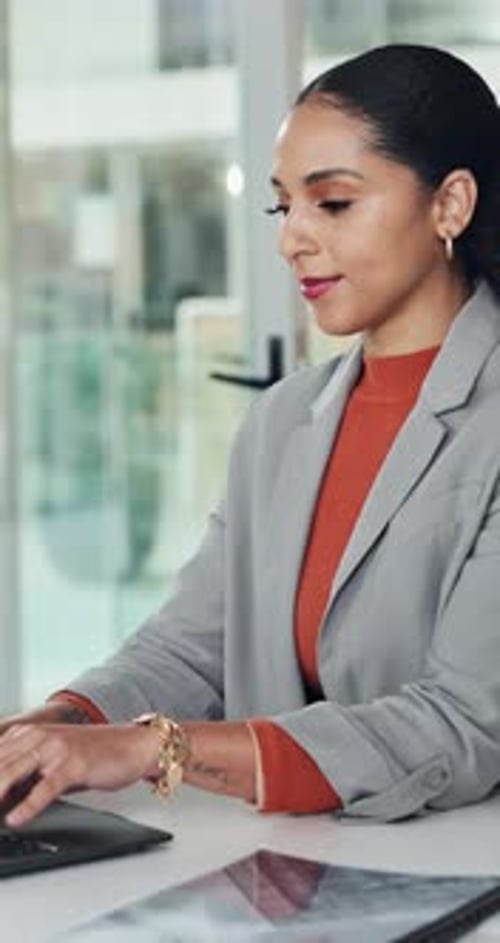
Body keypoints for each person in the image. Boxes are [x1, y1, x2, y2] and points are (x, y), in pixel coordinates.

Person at [2, 42, 500, 827]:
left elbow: (462, 721)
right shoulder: (281, 420)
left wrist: (156, 748)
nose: (291, 238)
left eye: (332, 203)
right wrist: (57, 727)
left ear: (451, 204)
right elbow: (190, 645)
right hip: (286, 872)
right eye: (282, 206)